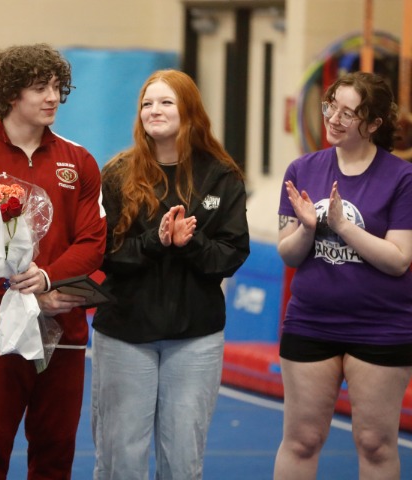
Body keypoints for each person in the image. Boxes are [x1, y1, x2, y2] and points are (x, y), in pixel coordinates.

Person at [0, 43, 106, 479]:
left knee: (55, 456)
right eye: (40, 88)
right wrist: (26, 299)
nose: (53, 97)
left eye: (57, 87)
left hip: (64, 329)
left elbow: (93, 242)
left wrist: (48, 280)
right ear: (11, 94)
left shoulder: (80, 160)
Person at [91, 69, 250, 479]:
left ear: (190, 110)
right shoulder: (117, 174)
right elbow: (102, 255)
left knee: (182, 460)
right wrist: (156, 241)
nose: (154, 110)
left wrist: (189, 243)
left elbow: (231, 256)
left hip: (194, 336)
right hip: (126, 331)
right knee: (121, 458)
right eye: (147, 103)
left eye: (166, 102)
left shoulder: (221, 175)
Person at [274, 71, 412, 480]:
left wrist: (343, 226)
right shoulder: (302, 169)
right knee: (301, 439)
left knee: (375, 443)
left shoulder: (401, 178)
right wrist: (308, 228)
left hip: (381, 326)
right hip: (311, 321)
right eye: (331, 106)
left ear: (373, 124)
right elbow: (288, 253)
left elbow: (399, 260)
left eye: (348, 113)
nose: (333, 118)